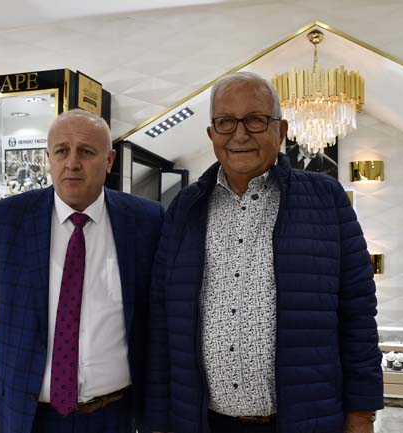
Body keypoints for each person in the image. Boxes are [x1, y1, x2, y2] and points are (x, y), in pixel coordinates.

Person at [146, 72, 383, 433]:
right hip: (203, 422)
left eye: (255, 119)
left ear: (280, 130)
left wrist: (361, 413)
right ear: (211, 133)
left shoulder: (326, 199)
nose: (240, 134)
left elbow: (358, 313)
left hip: (305, 421)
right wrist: (158, 420)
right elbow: (162, 321)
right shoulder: (184, 208)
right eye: (226, 121)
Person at [0, 109, 164, 433]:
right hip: (29, 417)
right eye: (62, 151)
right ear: (48, 159)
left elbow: (158, 322)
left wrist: (160, 416)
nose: (72, 163)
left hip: (114, 416)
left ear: (109, 161)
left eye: (86, 152)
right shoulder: (7, 219)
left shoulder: (147, 220)